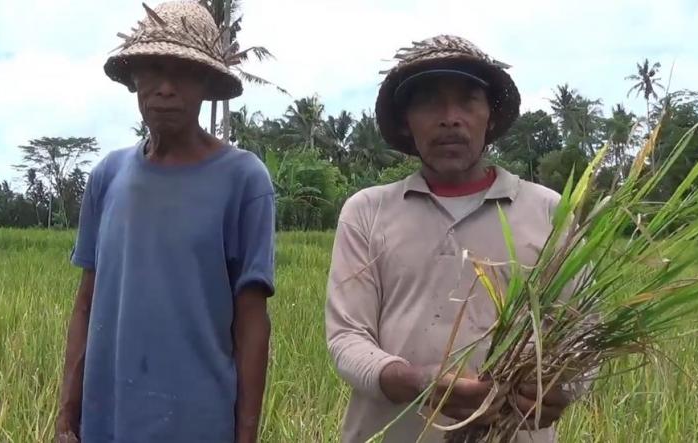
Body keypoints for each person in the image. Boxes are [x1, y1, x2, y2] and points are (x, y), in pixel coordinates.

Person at [325, 35, 584, 443]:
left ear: (490, 118)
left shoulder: (549, 212)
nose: (450, 118)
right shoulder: (367, 211)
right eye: (429, 102)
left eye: (467, 101)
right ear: (406, 122)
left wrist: (565, 388)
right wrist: (415, 381)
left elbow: (583, 330)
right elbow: (347, 337)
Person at [55, 2, 275, 442]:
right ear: (133, 79)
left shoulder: (243, 179)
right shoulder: (107, 177)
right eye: (152, 69)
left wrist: (245, 435)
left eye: (184, 73)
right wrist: (67, 416)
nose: (165, 88)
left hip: (197, 423)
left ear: (208, 84)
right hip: (108, 420)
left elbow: (252, 321)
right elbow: (86, 304)